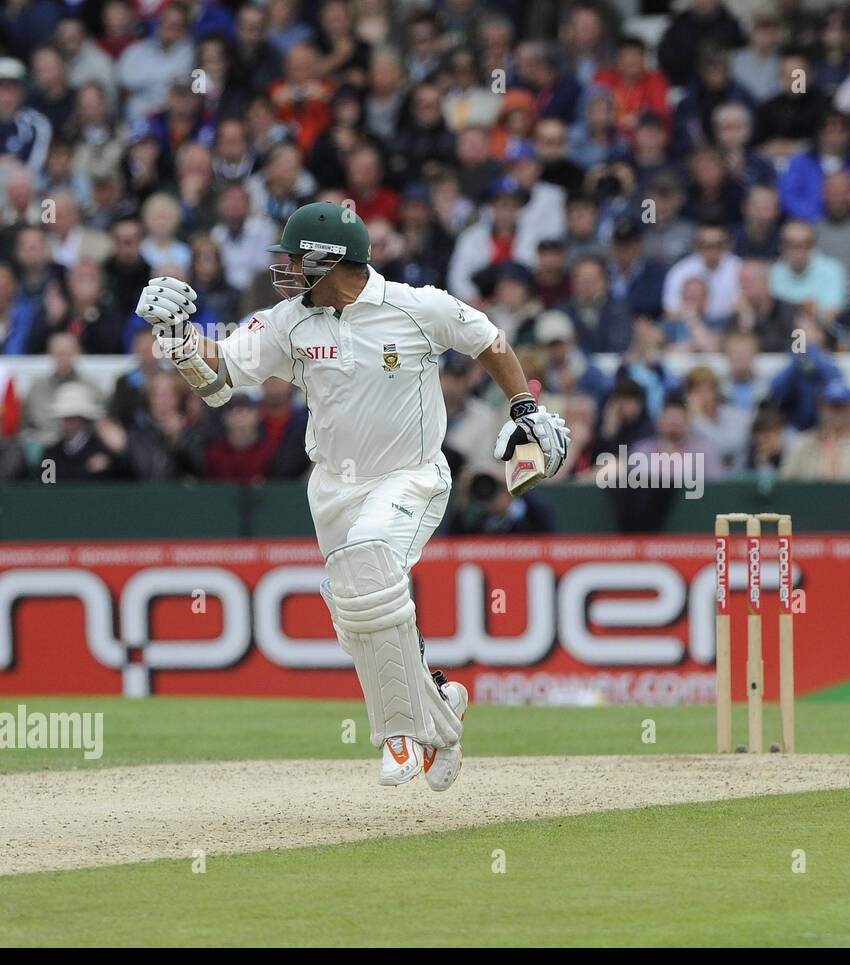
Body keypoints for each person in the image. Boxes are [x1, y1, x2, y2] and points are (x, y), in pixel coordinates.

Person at [133, 201, 570, 795]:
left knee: (368, 559)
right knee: (356, 619)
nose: (284, 271)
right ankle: (441, 708)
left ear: (329, 260)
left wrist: (525, 407)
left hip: (411, 477)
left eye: (293, 259)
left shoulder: (416, 307)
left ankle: (398, 739)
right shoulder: (290, 321)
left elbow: (488, 340)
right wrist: (178, 338)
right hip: (332, 489)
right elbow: (219, 381)